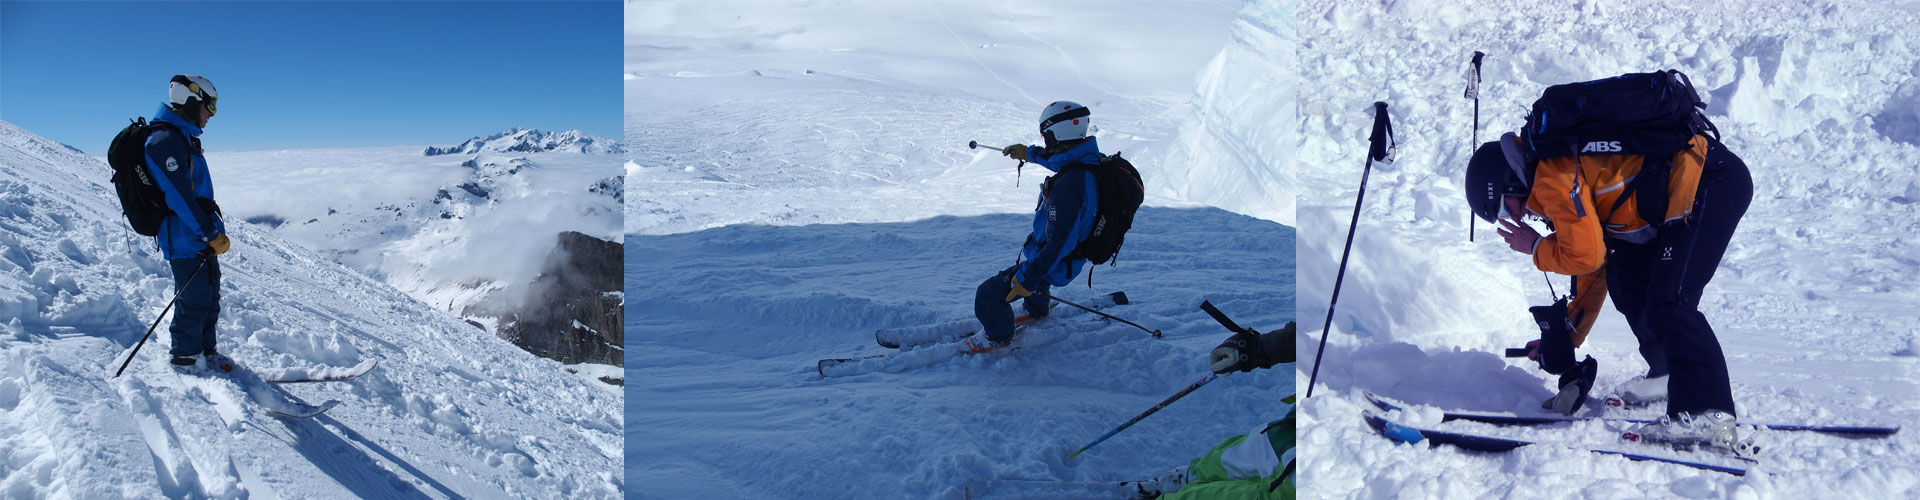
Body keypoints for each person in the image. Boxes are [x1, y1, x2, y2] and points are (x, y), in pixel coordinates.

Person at [1463, 107, 1753, 428]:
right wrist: (1567, 334)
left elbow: (1585, 255)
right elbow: (1596, 263)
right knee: (1625, 273)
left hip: (1708, 180)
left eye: (1505, 207)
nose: (1514, 218)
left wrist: (1535, 246)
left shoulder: (1549, 177)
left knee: (1672, 301)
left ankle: (1708, 415)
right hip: (1682, 195)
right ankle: (1667, 373)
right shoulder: (1551, 176)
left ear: (1509, 180)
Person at [966, 101, 1104, 352]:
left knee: (987, 296)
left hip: (1057, 262)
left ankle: (999, 336)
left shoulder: (1070, 186)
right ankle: (1036, 308)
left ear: (1058, 133)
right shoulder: (1088, 161)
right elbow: (1061, 160)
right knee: (1037, 264)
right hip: (1065, 259)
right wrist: (1028, 153)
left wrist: (1029, 276)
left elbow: (1061, 243)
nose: (1045, 139)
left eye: (1046, 134)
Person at [1137, 321, 1297, 500]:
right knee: (1243, 451)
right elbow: (1324, 334)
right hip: (1298, 429)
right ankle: (1182, 480)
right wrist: (1257, 349)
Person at [146, 74, 233, 372]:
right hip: (185, 238)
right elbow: (179, 196)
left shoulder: (182, 138)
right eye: (210, 106)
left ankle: (206, 353)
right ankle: (185, 357)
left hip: (197, 236)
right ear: (191, 99)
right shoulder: (164, 141)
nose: (211, 114)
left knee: (209, 298)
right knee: (194, 300)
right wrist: (208, 231)